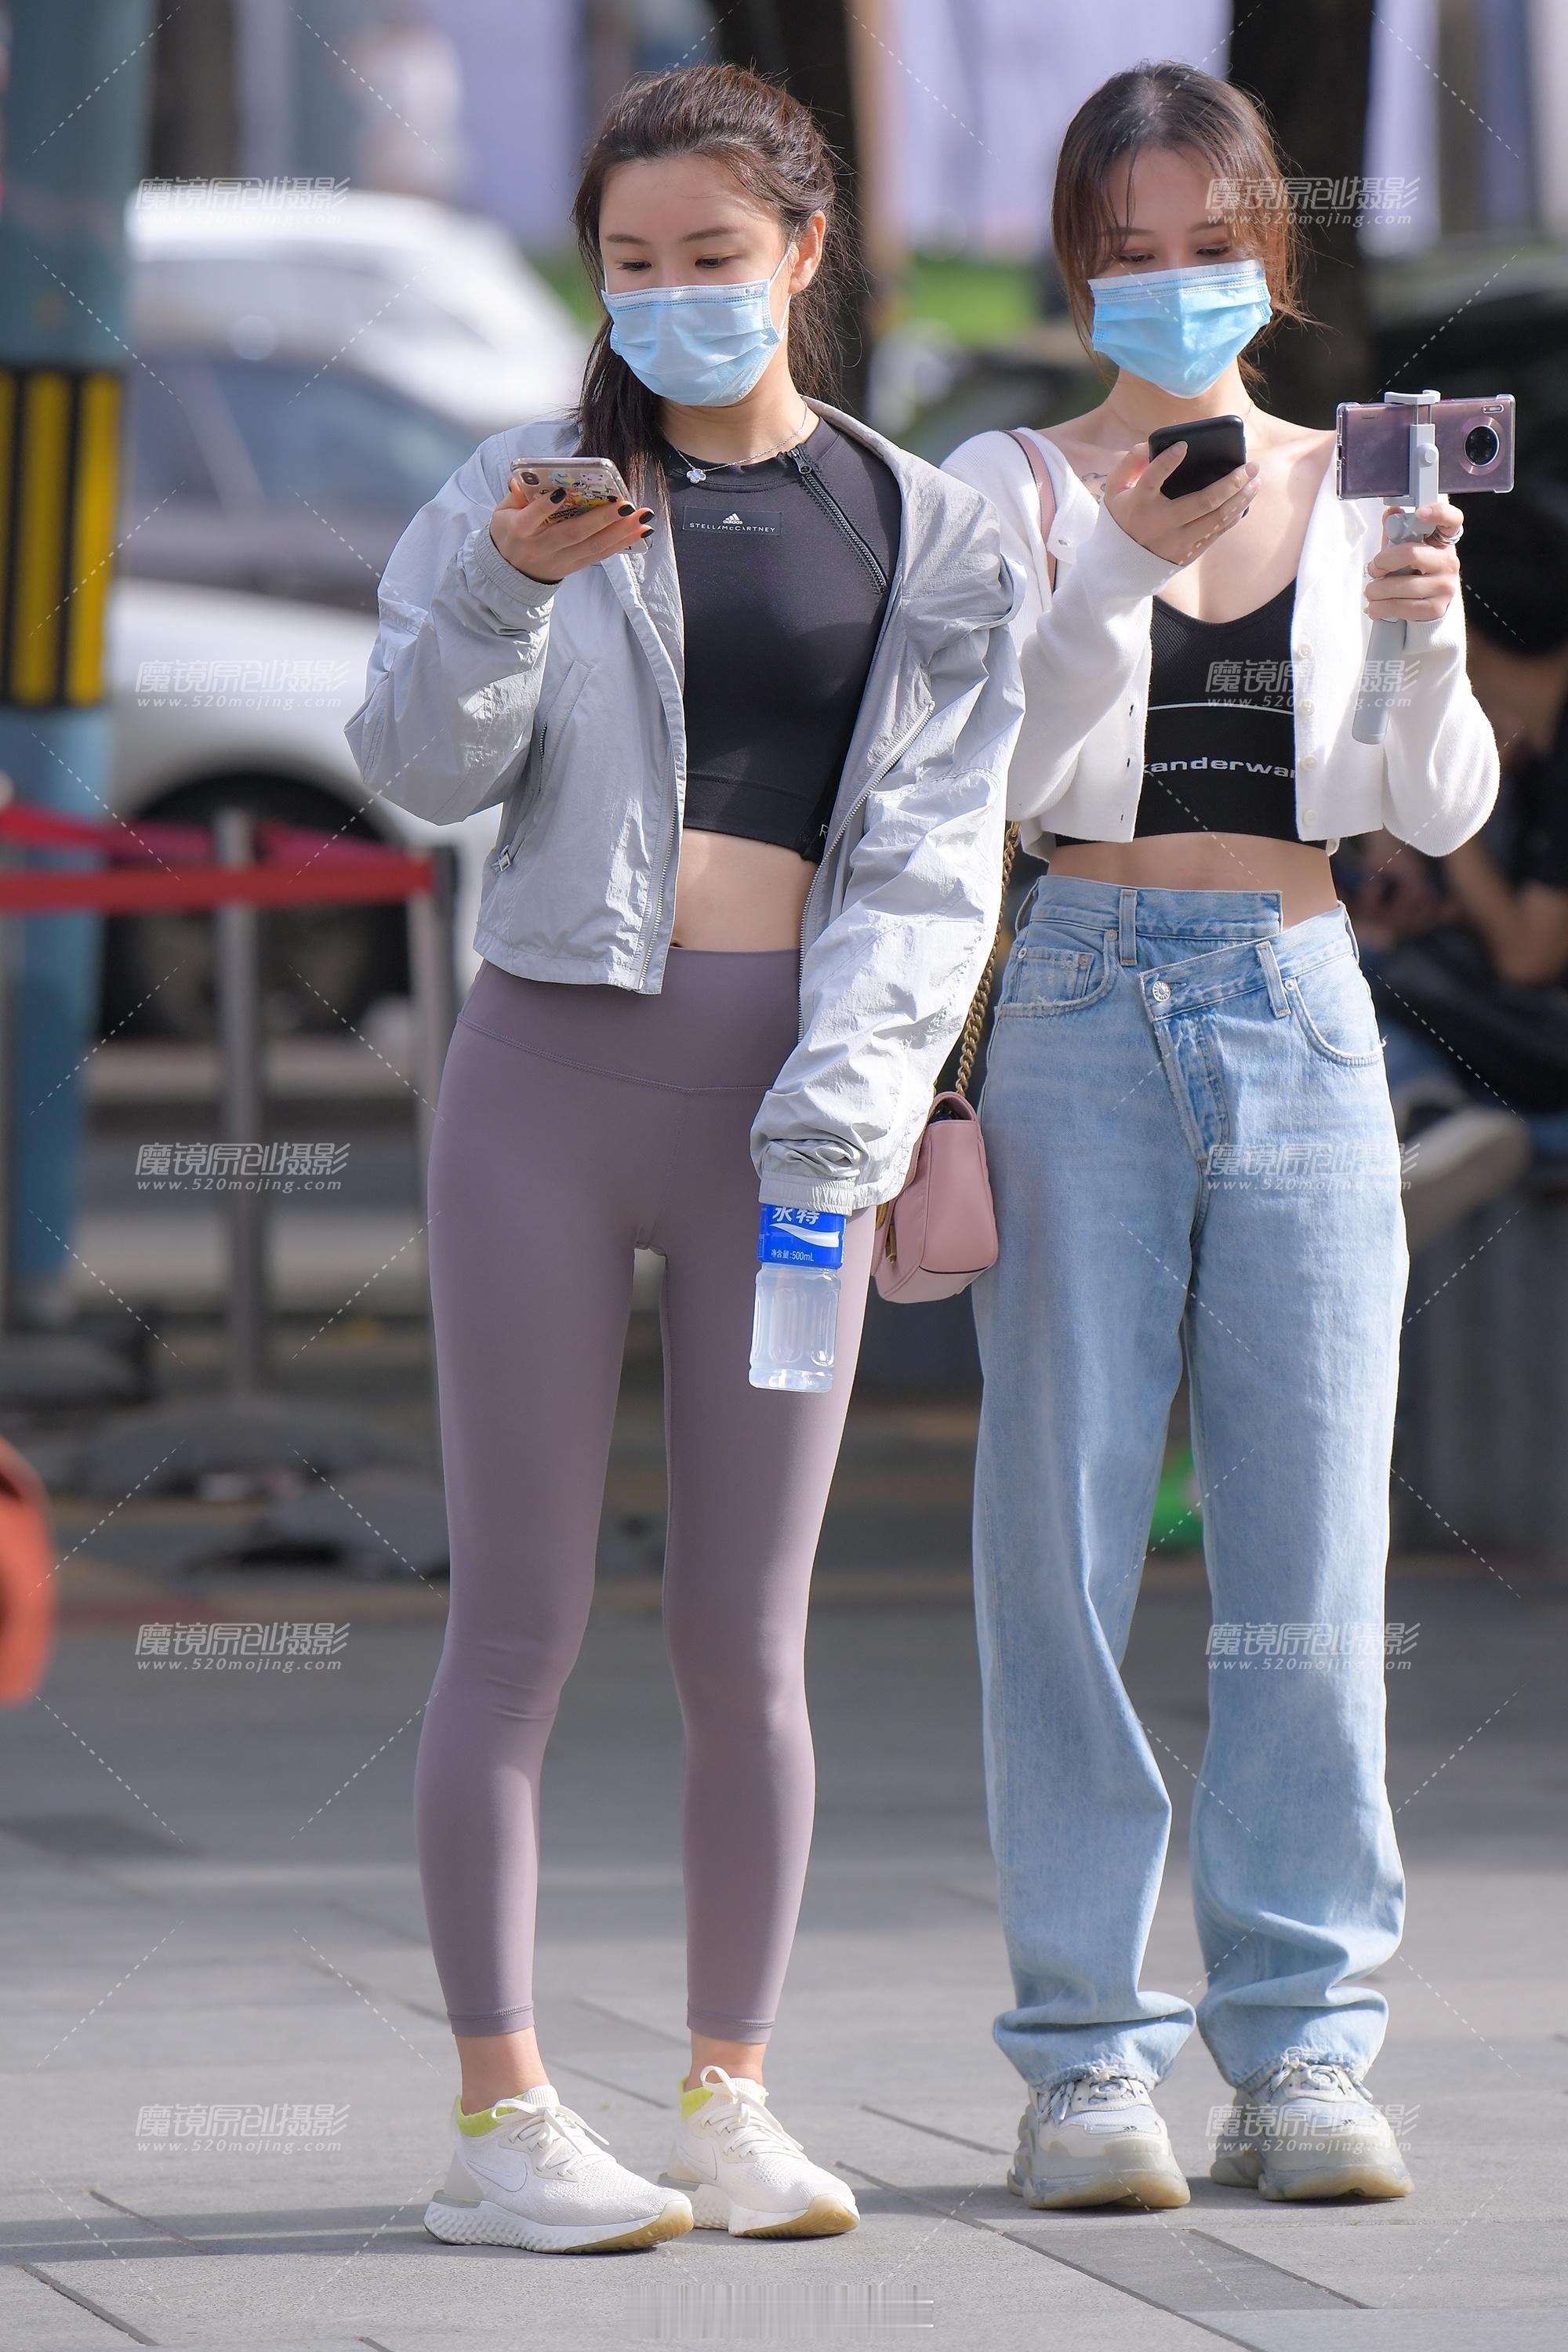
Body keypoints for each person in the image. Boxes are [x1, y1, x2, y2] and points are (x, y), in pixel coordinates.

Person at [346, 62, 1029, 2254]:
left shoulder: (920, 522)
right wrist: (501, 594)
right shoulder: (519, 490)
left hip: (795, 1108)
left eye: (713, 258)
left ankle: (730, 2095)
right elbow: (411, 761)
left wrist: (857, 1093)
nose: (670, 297)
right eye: (630, 264)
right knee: (517, 1620)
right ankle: (500, 2119)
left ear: (805, 255)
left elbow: (937, 846)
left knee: (747, 1633)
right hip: (542, 1085)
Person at [943, 60, 1497, 2212]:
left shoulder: (1360, 479)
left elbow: (1425, 805)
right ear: (1076, 266)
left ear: (1272, 258)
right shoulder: (1007, 484)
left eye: (1208, 247)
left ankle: (1303, 2046)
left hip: (1296, 987)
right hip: (1078, 991)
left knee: (1310, 1548)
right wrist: (1113, 570)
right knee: (1059, 1538)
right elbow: (1001, 775)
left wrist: (1427, 640)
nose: (1171, 285)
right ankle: (1084, 2056)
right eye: (1128, 251)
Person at [1350, 484, 1568, 1245]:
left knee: (1355, 962)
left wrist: (1446, 822)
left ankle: (1423, 1115)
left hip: (1552, 1081)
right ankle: (1426, 1116)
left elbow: (1525, 956)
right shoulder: (1537, 739)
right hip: (1537, 1051)